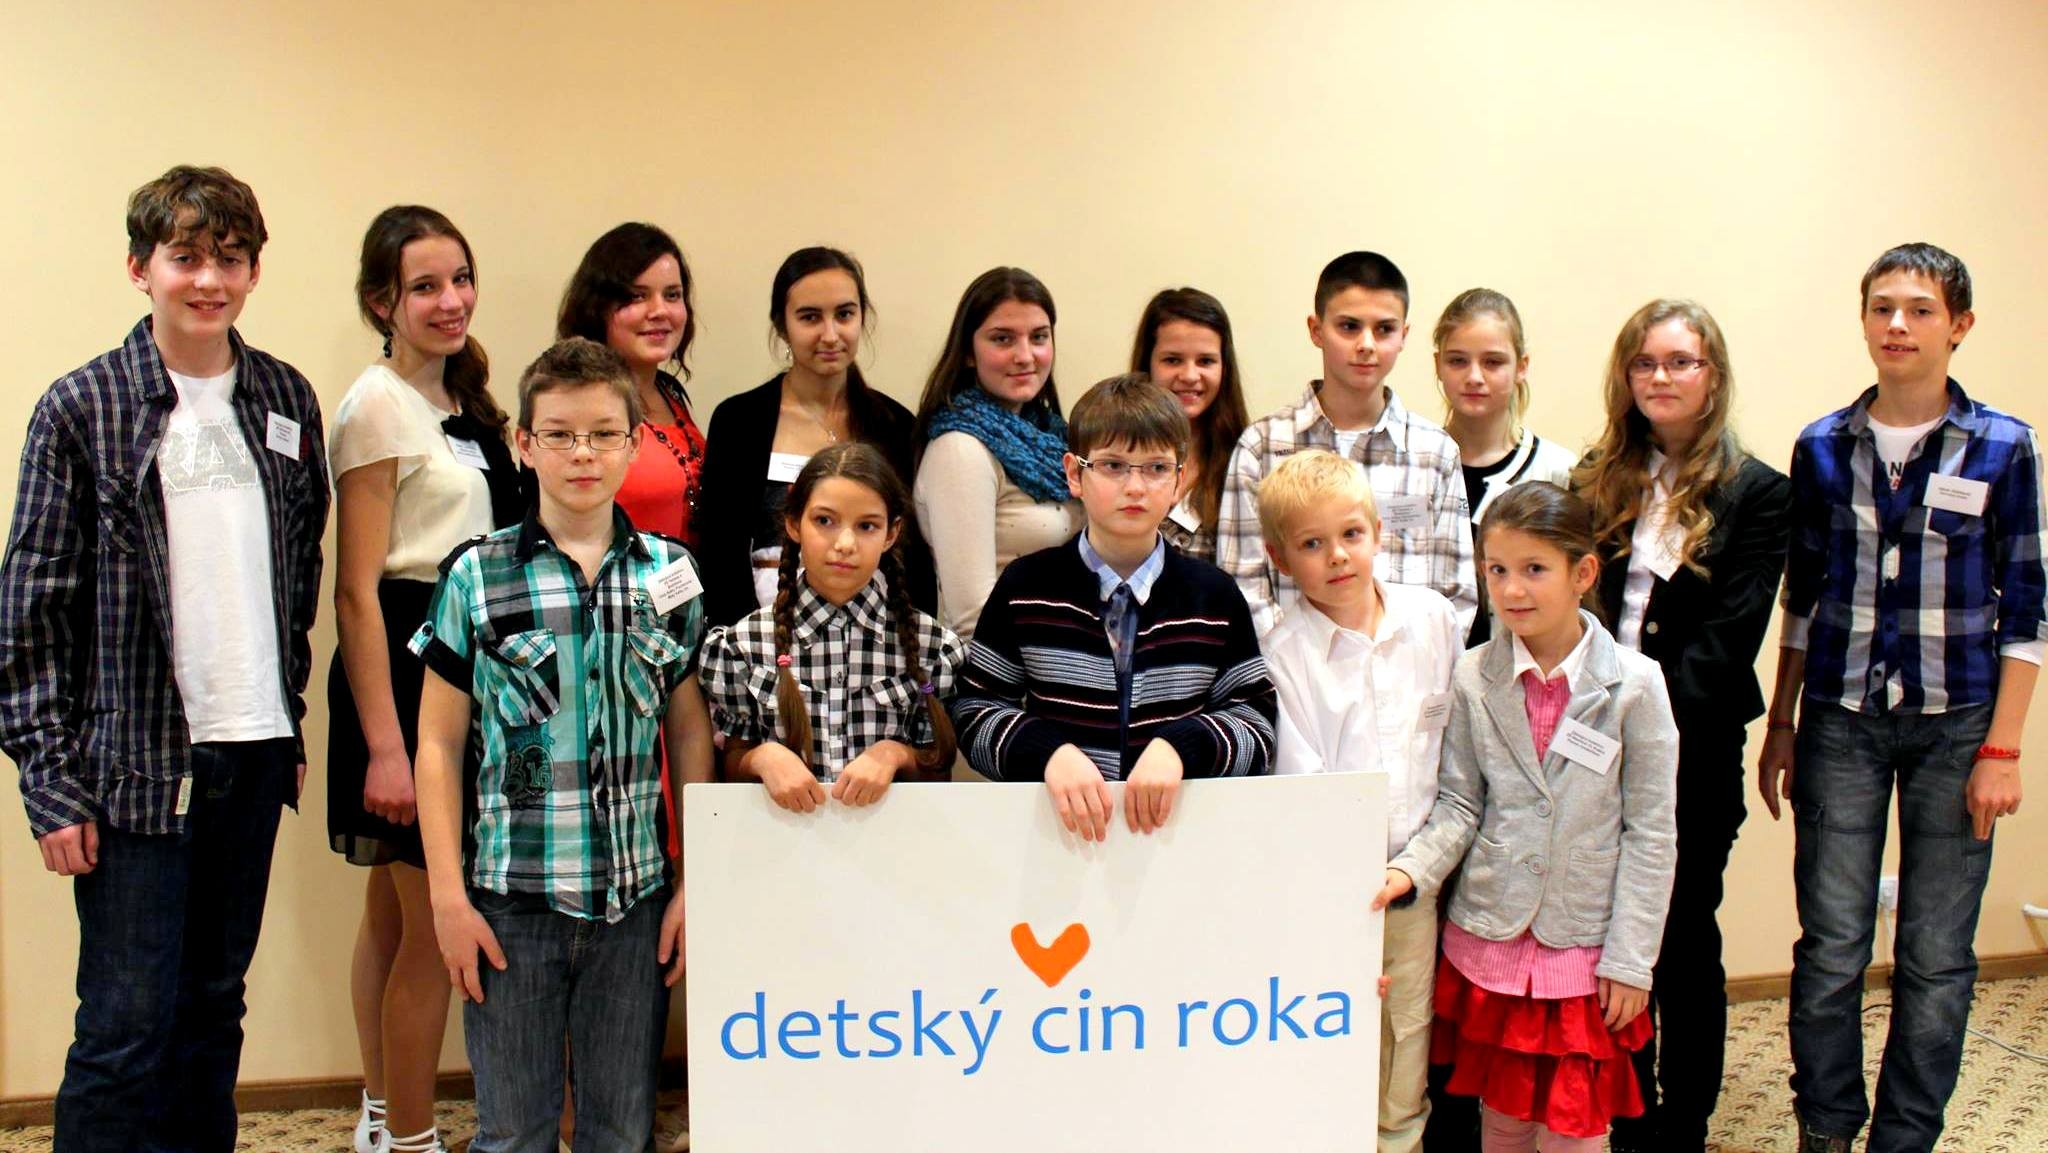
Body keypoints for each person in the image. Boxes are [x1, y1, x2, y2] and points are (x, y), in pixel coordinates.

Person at [0, 165, 329, 1152]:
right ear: (140, 267)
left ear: (255, 270)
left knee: (212, 1011)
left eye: (230, 259)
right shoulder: (83, 406)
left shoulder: (284, 397)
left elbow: (297, 576)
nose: (209, 280)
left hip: (252, 751)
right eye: (186, 258)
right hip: (132, 766)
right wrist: (49, 782)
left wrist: (287, 719)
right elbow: (28, 611)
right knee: (124, 1027)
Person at [1759, 243, 2043, 1153]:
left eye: (1920, 309)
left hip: (1959, 728)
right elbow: (1802, 597)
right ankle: (1827, 1128)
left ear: (1959, 326)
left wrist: (2003, 748)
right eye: (1882, 307)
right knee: (1831, 944)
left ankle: (1905, 1138)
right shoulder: (1822, 445)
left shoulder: (2003, 446)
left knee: (1935, 954)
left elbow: (2027, 605)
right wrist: (1781, 722)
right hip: (1839, 722)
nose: (1898, 325)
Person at [409, 338, 713, 1153]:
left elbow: (688, 729)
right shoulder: (475, 576)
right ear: (525, 443)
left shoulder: (672, 575)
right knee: (513, 1131)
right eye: (560, 434)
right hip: (512, 903)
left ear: (635, 441)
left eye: (605, 433)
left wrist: (694, 879)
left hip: (634, 904)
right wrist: (447, 897)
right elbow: (437, 742)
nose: (583, 453)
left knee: (622, 1128)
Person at [1377, 482, 1679, 1153]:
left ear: (1583, 573)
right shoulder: (1472, 675)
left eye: (1534, 569)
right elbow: (1460, 802)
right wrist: (1411, 870)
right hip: (1490, 940)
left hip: (1584, 944)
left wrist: (1632, 960)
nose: (1512, 590)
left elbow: (1652, 833)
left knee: (1575, 1123)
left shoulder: (1636, 684)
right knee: (1504, 1119)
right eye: (1497, 570)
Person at [1573, 299, 1791, 1153]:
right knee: (1610, 940)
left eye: (1680, 361)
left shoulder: (1757, 492)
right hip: (1591, 746)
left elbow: (1730, 641)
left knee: (1680, 939)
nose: (1660, 377)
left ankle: (1685, 1121)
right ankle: (1628, 1116)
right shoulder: (1597, 476)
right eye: (1645, 362)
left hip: (1691, 751)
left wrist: (1638, 725)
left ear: (1713, 375)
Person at [330, 206, 523, 1153]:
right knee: (425, 923)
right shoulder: (375, 405)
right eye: (424, 287)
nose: (451, 301)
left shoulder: (464, 397)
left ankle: (379, 1111)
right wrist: (387, 747)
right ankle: (409, 1136)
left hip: (469, 660)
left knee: (390, 907)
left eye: (461, 278)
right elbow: (357, 591)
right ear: (383, 302)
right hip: (406, 670)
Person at [955, 375, 1276, 837]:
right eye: (1113, 466)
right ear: (1074, 474)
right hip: (1059, 838)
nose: (1135, 486)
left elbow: (1258, 724)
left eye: (1156, 467)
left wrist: (1182, 747)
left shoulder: (1215, 597)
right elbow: (975, 710)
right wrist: (1048, 752)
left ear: (1179, 479)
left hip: (1179, 840)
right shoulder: (1026, 587)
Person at [1257, 450, 1461, 1153]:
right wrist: (1342, 897)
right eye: (1312, 544)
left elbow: (1457, 749)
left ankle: (1399, 1137)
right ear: (1280, 558)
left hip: (1421, 877)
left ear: (1378, 531)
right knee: (1331, 1041)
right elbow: (1305, 790)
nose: (1338, 556)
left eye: (1351, 534)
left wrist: (1421, 865)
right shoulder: (1283, 655)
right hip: (1335, 890)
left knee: (1407, 1040)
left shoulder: (1433, 619)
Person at [1216, 251, 1475, 636]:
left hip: (1411, 667)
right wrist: (1304, 662)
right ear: (1316, 330)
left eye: (1384, 329)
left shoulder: (1435, 452)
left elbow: (1456, 596)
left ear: (1404, 336)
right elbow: (1243, 588)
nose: (1366, 344)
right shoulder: (1262, 446)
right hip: (1292, 670)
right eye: (1349, 327)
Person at [703, 443, 964, 810]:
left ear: (891, 534)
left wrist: (896, 755)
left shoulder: (932, 647)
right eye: (824, 521)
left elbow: (939, 773)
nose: (844, 544)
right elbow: (732, 767)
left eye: (867, 526)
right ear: (793, 523)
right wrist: (760, 758)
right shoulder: (743, 645)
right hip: (780, 839)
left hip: (892, 841)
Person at [697, 247, 934, 627]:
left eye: (844, 314)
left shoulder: (896, 425)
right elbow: (720, 552)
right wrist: (749, 645)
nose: (830, 334)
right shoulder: (739, 421)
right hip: (763, 635)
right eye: (810, 317)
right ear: (782, 326)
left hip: (876, 638)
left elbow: (913, 555)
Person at [912, 267, 1084, 641]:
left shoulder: (1058, 437)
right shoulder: (960, 451)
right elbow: (972, 617)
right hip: (1003, 667)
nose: (1025, 356)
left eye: (1038, 337)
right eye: (1003, 339)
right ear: (968, 353)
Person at [1432, 287, 1579, 646]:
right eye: (1458, 361)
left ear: (1521, 367)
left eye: (1493, 362)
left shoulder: (1558, 472)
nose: (1474, 376)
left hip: (1522, 669)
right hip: (1427, 666)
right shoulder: (1416, 464)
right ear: (1438, 365)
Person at [557, 223, 707, 547]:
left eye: (672, 295)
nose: (660, 311)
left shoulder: (669, 393)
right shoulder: (577, 401)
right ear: (596, 307)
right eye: (637, 296)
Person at [1128, 286, 1250, 561]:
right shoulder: (1114, 451)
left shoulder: (1246, 459)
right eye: (1173, 360)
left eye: (1205, 361)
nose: (1190, 375)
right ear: (1148, 363)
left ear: (1224, 368)